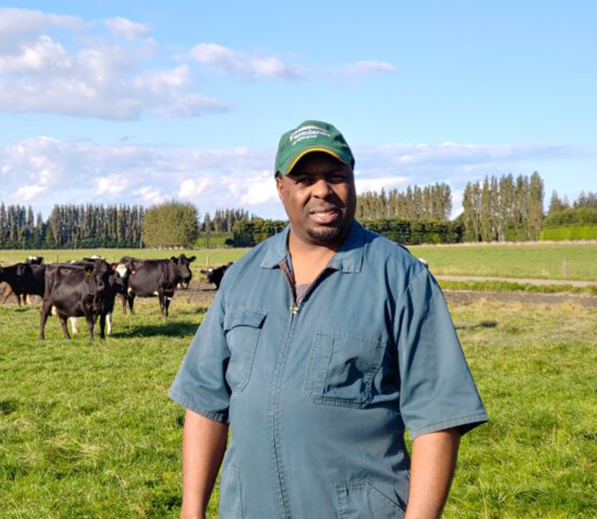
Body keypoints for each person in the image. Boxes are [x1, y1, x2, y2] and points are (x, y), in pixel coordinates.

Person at [168, 120, 488, 518]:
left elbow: (439, 418)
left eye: (335, 176)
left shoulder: (400, 278)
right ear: (281, 187)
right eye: (305, 179)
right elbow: (205, 402)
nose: (322, 190)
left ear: (353, 180)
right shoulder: (243, 277)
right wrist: (191, 510)